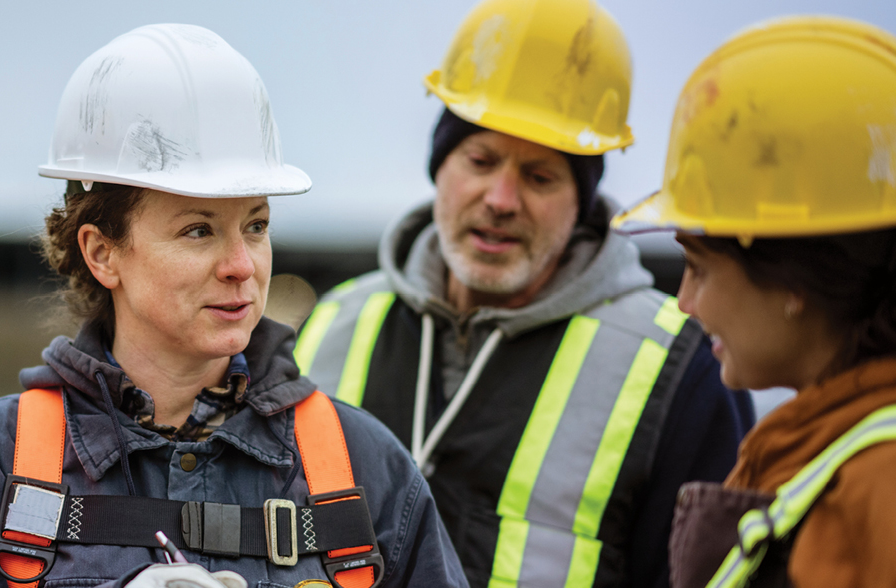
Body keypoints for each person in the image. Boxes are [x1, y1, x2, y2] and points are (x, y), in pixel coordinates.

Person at [0, 24, 467, 588]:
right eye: (198, 231)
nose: (242, 264)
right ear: (102, 252)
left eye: (256, 225)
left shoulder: (366, 470)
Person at [293, 1, 754, 586]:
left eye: (540, 176)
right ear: (440, 167)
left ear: (581, 201)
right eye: (480, 160)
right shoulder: (335, 323)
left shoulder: (680, 366)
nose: (502, 199)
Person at [613, 15, 896, 588]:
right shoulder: (822, 445)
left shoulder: (878, 484)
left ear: (796, 279)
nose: (684, 302)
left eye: (698, 269)